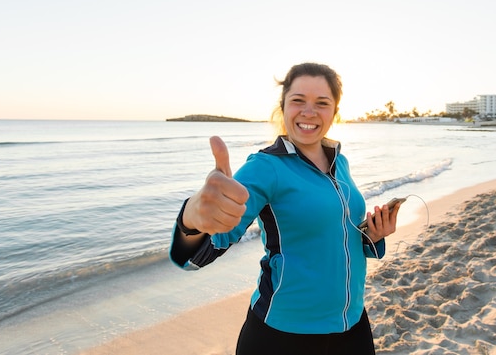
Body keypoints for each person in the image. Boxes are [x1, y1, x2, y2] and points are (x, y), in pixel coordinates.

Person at [170, 62, 400, 355]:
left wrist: (373, 236)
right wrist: (192, 221)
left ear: (335, 112)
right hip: (284, 334)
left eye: (322, 103)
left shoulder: (339, 161)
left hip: (352, 324)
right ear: (283, 107)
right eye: (298, 101)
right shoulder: (265, 167)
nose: (309, 111)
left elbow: (340, 235)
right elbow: (196, 255)